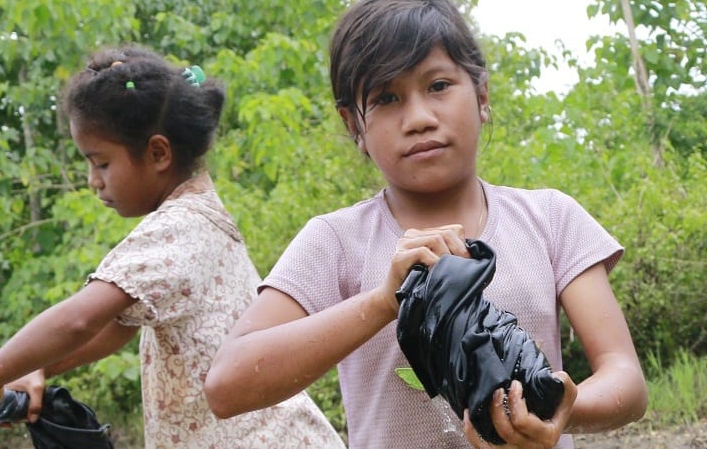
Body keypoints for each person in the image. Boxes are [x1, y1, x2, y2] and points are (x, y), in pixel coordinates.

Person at [202, 0, 649, 447]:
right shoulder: (335, 241)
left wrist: (557, 409)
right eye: (385, 98)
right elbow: (226, 385)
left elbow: (624, 379)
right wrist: (384, 300)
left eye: (438, 85)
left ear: (482, 96)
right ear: (353, 124)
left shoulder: (550, 218)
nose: (418, 119)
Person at [0, 45, 345, 449]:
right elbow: (117, 327)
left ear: (158, 152)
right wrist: (37, 369)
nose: (93, 180)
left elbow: (80, 320)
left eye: (101, 162)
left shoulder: (178, 226)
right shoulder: (202, 218)